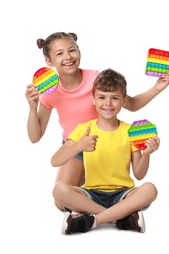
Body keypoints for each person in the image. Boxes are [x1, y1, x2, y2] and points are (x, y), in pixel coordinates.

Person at [25, 32, 169, 211]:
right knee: (61, 202)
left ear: (79, 51)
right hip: (76, 147)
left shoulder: (96, 79)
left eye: (72, 50)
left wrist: (157, 88)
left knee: (86, 194)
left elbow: (131, 104)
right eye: (59, 54)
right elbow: (35, 136)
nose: (68, 57)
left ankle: (97, 209)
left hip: (109, 144)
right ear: (49, 62)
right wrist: (33, 107)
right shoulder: (50, 90)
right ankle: (112, 212)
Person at [51, 68, 160, 234]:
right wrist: (78, 146)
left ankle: (92, 220)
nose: (108, 104)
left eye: (115, 98)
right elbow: (55, 160)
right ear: (93, 99)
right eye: (102, 97)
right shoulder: (84, 129)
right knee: (59, 189)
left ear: (124, 101)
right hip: (91, 194)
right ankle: (119, 217)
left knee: (150, 189)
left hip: (123, 194)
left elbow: (139, 174)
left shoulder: (132, 131)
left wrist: (146, 154)